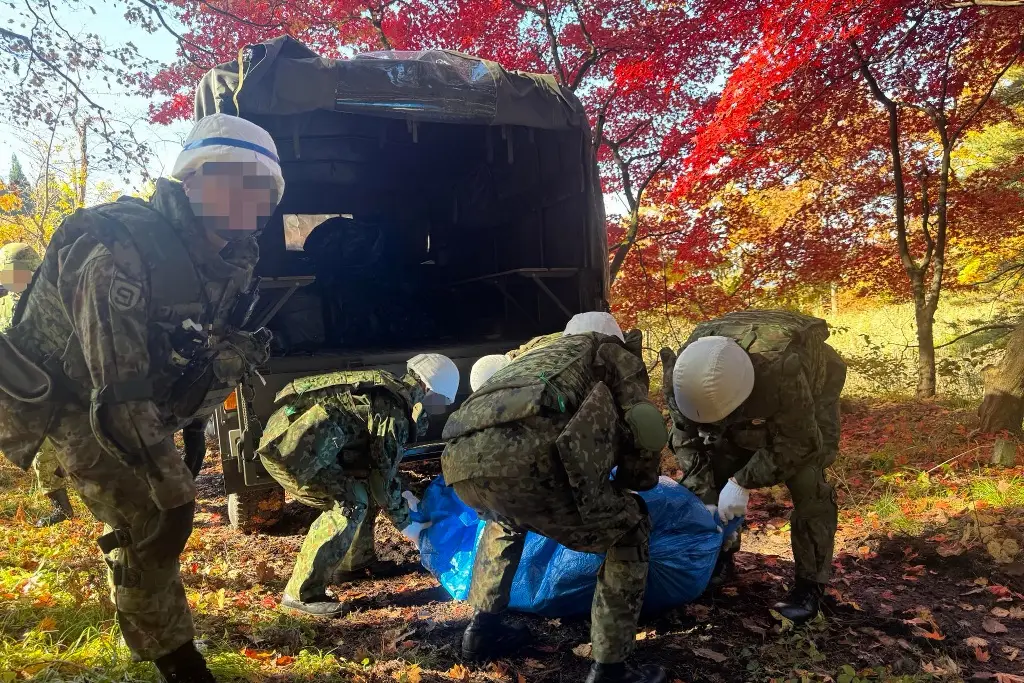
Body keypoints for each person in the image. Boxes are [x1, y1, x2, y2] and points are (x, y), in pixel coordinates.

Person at [0, 113, 283, 682]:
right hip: (69, 399)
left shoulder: (232, 253)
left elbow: (193, 344)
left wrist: (194, 425)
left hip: (127, 394)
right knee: (146, 524)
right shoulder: (115, 248)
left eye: (261, 187)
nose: (246, 197)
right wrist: (177, 495)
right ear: (192, 179)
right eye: (230, 178)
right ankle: (178, 663)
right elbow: (116, 393)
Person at [443, 312, 669, 683]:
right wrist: (637, 478)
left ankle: (482, 630)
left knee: (504, 519)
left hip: (461, 462)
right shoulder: (609, 351)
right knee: (630, 528)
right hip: (535, 462)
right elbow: (642, 421)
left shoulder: (533, 355)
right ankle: (610, 668)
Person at [660, 310, 847, 624]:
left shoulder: (784, 372)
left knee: (810, 481)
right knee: (703, 479)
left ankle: (810, 585)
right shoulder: (680, 375)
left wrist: (743, 481)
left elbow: (798, 442)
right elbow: (685, 438)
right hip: (737, 400)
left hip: (807, 398)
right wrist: (706, 486)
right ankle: (718, 557)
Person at [258, 353, 460, 617]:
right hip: (289, 452)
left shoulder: (390, 392)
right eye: (439, 400)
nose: (436, 408)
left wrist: (404, 493)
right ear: (428, 390)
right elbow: (383, 478)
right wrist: (407, 524)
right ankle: (301, 594)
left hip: (303, 445)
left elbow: (377, 468)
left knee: (361, 486)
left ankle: (356, 563)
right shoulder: (394, 409)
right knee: (350, 504)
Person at [0, 242, 75, 527]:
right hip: (27, 394)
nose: (14, 281)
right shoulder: (4, 303)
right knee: (42, 457)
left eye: (21, 274)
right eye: (9, 275)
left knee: (84, 450)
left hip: (66, 388)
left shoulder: (54, 297)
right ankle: (63, 508)